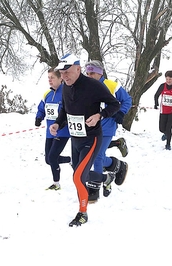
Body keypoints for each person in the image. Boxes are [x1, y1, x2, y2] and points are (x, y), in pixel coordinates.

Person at [49, 53, 121, 226]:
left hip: (92, 138)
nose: (64, 76)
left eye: (67, 71)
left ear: (78, 69)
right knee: (80, 173)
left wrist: (99, 115)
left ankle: (83, 213)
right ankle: (106, 179)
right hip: (76, 139)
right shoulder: (66, 87)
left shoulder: (93, 86)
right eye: (62, 72)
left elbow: (115, 104)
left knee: (78, 177)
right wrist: (58, 124)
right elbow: (65, 111)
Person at [84, 60, 131, 202]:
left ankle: (94, 188)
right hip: (91, 127)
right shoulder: (86, 87)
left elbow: (127, 100)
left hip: (107, 126)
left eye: (92, 73)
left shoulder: (112, 86)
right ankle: (116, 165)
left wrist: (120, 113)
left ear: (100, 73)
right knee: (91, 155)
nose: (89, 75)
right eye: (87, 73)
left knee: (97, 156)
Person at [35, 68, 71, 190]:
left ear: (60, 78)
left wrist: (63, 122)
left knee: (52, 157)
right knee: (48, 159)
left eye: (52, 78)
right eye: (48, 78)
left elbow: (69, 110)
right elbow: (42, 108)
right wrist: (39, 118)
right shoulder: (47, 94)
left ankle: (56, 183)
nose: (50, 80)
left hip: (63, 131)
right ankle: (70, 160)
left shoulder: (66, 92)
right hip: (50, 132)